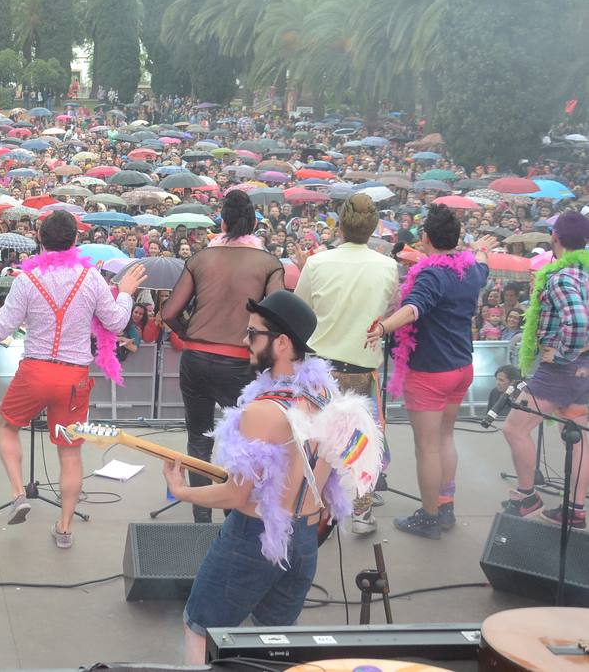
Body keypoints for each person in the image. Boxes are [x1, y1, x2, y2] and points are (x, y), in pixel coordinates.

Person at [168, 290, 380, 664]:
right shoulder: (324, 392)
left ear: (281, 343)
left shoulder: (264, 410)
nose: (244, 341)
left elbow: (237, 496)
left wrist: (182, 492)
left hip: (254, 538)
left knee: (201, 630)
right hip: (305, 541)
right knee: (273, 642)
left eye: (253, 334)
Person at [0, 211, 147, 548]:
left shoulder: (27, 280)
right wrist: (126, 291)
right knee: (71, 454)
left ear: (40, 240)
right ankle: (65, 528)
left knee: (6, 425)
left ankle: (17, 493)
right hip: (74, 376)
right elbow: (116, 322)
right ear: (75, 241)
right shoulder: (90, 278)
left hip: (35, 370)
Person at [366, 205, 496, 538]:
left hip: (429, 373)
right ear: (457, 239)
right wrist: (481, 250)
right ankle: (445, 503)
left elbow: (413, 308)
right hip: (461, 367)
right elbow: (483, 265)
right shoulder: (470, 270)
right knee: (446, 437)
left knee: (427, 447)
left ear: (425, 238)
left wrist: (383, 327)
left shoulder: (430, 275)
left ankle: (429, 516)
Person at [157, 189, 285, 521]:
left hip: (196, 357)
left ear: (223, 222)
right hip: (241, 362)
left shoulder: (199, 259)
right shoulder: (269, 264)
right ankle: (234, 517)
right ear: (255, 224)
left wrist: (190, 334)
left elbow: (170, 312)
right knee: (240, 441)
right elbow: (279, 315)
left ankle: (202, 518)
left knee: (198, 438)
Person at [291, 193, 397, 535]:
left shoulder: (317, 263)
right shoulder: (388, 266)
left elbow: (300, 311)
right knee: (360, 442)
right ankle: (361, 514)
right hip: (361, 370)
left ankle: (310, 508)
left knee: (315, 441)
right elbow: (387, 308)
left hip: (321, 368)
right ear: (374, 227)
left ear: (339, 224)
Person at [501, 210, 589, 529]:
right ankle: (575, 509)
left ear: (555, 239)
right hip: (583, 373)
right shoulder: (586, 274)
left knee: (515, 427)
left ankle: (527, 497)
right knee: (578, 438)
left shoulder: (562, 277)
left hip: (559, 373)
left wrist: (564, 353)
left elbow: (578, 322)